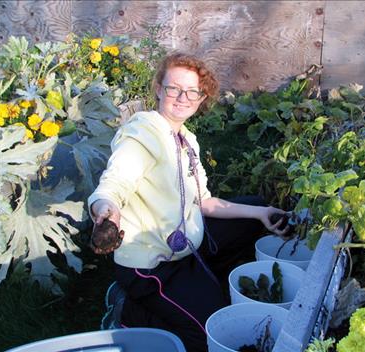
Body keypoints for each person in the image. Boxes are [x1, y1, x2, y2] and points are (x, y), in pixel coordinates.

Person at [88, 53, 289, 352]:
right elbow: (115, 182)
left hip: (184, 243)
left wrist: (260, 212)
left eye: (192, 91)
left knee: (250, 213)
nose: (183, 98)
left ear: (201, 97)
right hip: (153, 265)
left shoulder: (186, 139)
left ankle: (197, 287)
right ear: (158, 88)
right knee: (207, 335)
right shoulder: (142, 134)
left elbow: (204, 201)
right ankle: (127, 309)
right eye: (174, 89)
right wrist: (107, 209)